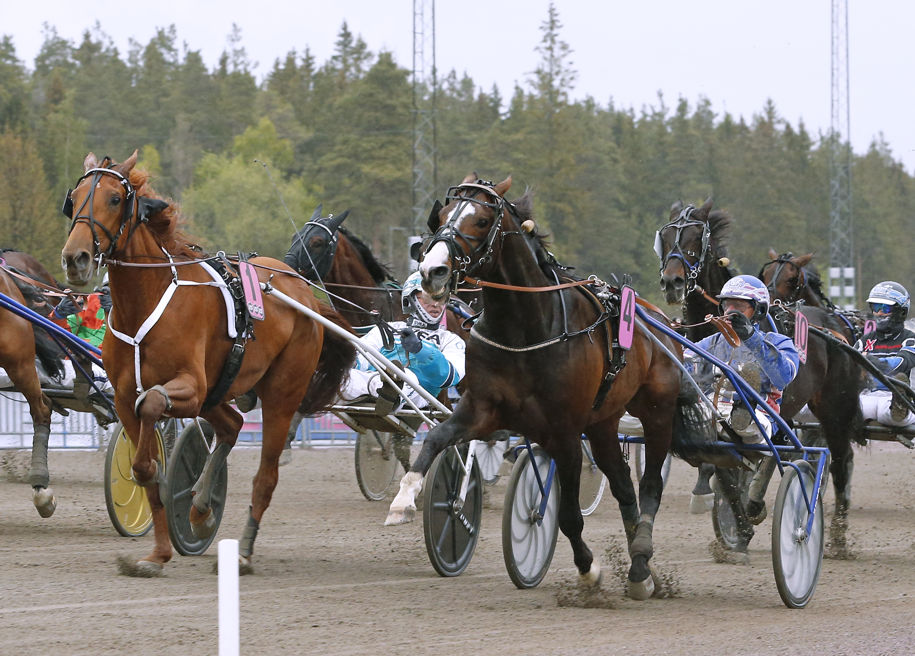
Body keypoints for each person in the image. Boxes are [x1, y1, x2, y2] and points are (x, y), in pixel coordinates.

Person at [339, 271, 465, 414]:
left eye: (440, 298)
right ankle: (379, 388)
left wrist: (420, 350)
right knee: (339, 375)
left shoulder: (451, 340)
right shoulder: (389, 328)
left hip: (417, 392)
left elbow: (449, 377)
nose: (436, 304)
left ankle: (389, 391)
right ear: (410, 299)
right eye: (427, 298)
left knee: (406, 378)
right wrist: (344, 360)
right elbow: (361, 355)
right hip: (371, 383)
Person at [854, 281, 915, 427]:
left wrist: (867, 361)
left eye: (885, 308)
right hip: (867, 396)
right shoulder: (865, 340)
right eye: (876, 307)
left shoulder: (910, 339)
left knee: (886, 412)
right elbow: (850, 364)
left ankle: (900, 403)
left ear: (901, 312)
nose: (879, 313)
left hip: (896, 399)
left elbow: (902, 364)